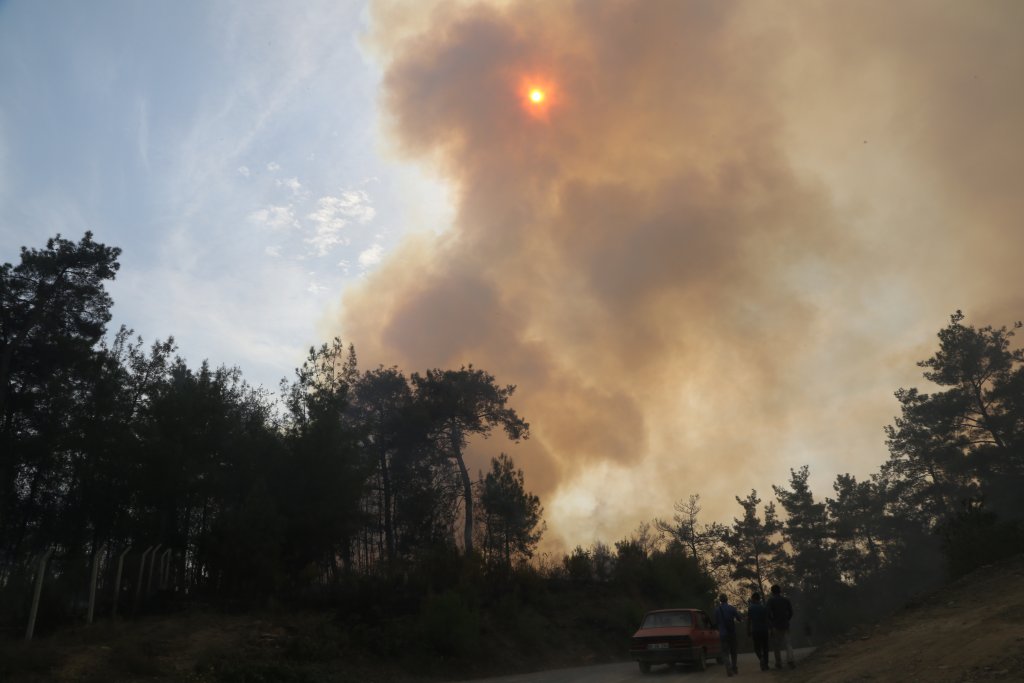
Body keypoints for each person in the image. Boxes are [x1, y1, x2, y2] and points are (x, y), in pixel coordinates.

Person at [766, 584, 795, 670]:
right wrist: (787, 619)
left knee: (776, 645)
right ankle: (791, 661)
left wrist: (771, 623)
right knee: (788, 644)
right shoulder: (786, 600)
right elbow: (791, 612)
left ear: (772, 592)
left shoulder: (771, 601)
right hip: (785, 625)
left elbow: (767, 614)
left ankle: (779, 663)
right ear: (780, 591)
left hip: (776, 625)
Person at [715, 593, 742, 677]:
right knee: (733, 652)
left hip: (723, 634)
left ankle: (728, 668)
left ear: (720, 600)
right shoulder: (732, 608)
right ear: (727, 599)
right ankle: (734, 667)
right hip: (732, 633)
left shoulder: (717, 610)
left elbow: (716, 622)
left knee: (725, 653)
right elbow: (739, 618)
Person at [746, 592, 770, 671]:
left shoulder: (751, 608)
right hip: (764, 630)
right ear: (759, 599)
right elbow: (767, 619)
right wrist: (770, 629)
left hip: (755, 630)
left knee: (757, 648)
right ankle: (766, 665)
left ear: (754, 599)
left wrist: (748, 630)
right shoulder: (764, 607)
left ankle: (761, 658)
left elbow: (749, 620)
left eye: (752, 598)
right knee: (765, 648)